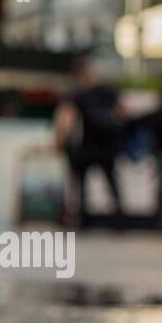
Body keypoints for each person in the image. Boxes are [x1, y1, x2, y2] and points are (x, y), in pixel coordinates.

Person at [55, 56, 124, 228]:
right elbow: (122, 112)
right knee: (110, 182)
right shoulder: (106, 91)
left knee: (85, 183)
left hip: (88, 146)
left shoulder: (78, 94)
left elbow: (65, 118)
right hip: (104, 146)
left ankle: (84, 219)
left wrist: (59, 140)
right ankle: (119, 218)